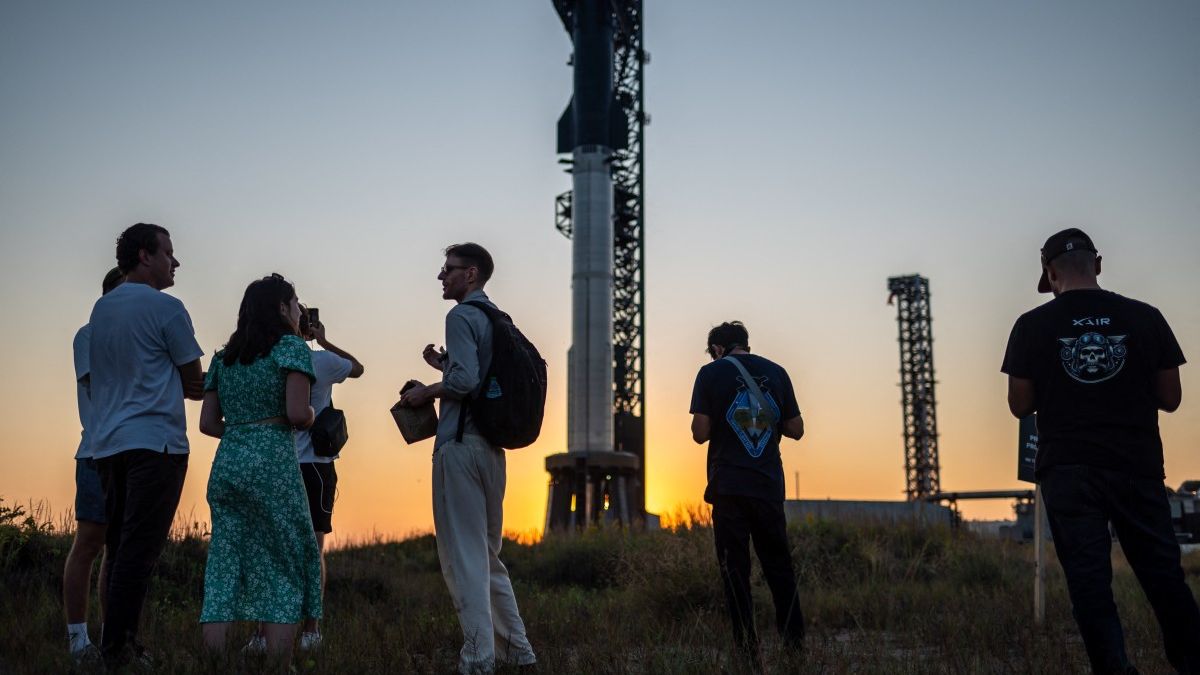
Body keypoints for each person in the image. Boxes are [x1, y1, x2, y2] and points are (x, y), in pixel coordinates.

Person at [1003, 228, 1200, 674]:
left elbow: (1020, 405)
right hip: (1136, 465)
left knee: (1089, 585)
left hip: (1068, 471)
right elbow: (1171, 397)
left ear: (1051, 274)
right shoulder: (1145, 317)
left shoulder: (1031, 325)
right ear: (1098, 264)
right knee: (1164, 576)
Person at [399, 242, 536, 674]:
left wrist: (425, 392)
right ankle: (519, 654)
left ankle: (478, 660)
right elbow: (477, 377)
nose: (441, 276)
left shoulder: (459, 315)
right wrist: (444, 365)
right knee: (488, 558)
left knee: (463, 559)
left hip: (459, 448)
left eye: (449, 269)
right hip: (493, 449)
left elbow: (464, 382)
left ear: (471, 274)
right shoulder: (498, 319)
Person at [88, 223, 205, 666]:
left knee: (119, 548)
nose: (176, 262)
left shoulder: (102, 309)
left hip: (108, 445)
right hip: (156, 445)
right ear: (144, 256)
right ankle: (118, 651)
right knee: (139, 552)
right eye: (168, 253)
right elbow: (195, 383)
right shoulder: (167, 308)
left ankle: (118, 643)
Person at [197, 274, 323, 661]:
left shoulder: (224, 358)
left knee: (225, 559)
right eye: (296, 303)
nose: (300, 310)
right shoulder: (291, 348)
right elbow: (297, 413)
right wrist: (312, 415)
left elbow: (207, 424)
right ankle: (275, 661)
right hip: (273, 465)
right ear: (282, 308)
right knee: (283, 558)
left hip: (228, 463)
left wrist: (243, 433)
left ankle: (213, 660)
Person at [246, 306, 365, 653]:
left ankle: (261, 634)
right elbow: (357, 368)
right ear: (307, 326)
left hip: (275, 461)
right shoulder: (321, 361)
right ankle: (311, 630)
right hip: (315, 465)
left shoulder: (263, 360)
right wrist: (323, 341)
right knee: (313, 549)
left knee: (270, 548)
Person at [689, 321, 806, 665]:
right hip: (767, 486)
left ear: (718, 349)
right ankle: (795, 649)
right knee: (780, 569)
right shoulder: (778, 372)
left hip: (728, 487)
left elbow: (700, 433)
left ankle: (747, 653)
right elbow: (796, 428)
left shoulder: (710, 373)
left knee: (734, 572)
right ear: (746, 344)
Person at [63, 266, 123, 659]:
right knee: (88, 542)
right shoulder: (88, 335)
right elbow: (99, 383)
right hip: (96, 453)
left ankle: (112, 638)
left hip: (130, 453)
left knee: (117, 549)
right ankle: (77, 639)